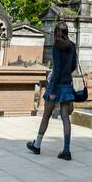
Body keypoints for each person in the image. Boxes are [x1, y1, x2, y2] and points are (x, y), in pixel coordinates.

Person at [26, 23, 77, 160]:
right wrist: (67, 74)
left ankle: (37, 145)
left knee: (46, 115)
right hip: (67, 84)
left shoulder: (56, 46)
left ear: (56, 33)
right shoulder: (72, 46)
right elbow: (73, 66)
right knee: (65, 116)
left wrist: (53, 88)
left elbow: (57, 69)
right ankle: (66, 150)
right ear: (67, 32)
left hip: (56, 85)